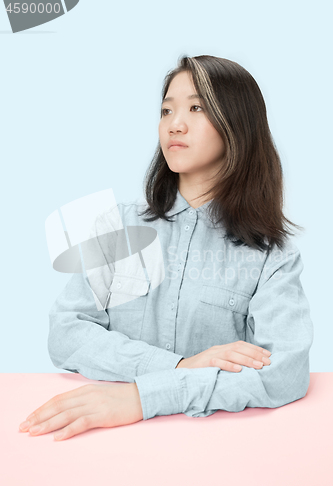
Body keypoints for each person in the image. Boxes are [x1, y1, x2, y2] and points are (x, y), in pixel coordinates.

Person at [19, 55, 314, 441]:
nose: (175, 123)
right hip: (99, 445)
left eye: (196, 107)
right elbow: (67, 333)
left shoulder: (270, 255)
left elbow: (285, 373)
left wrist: (143, 399)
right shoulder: (120, 226)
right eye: (166, 109)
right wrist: (179, 367)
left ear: (238, 125)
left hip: (214, 450)